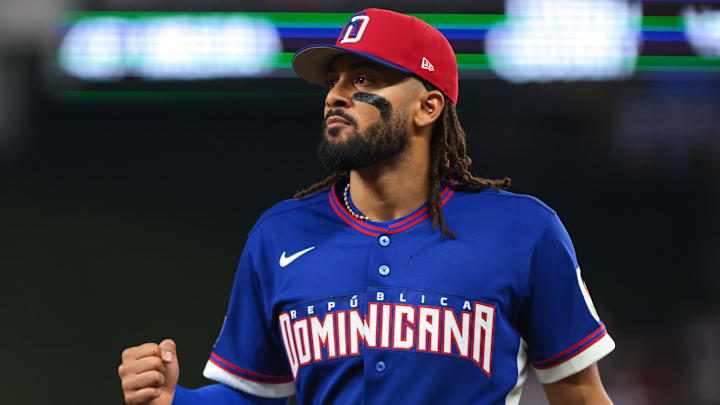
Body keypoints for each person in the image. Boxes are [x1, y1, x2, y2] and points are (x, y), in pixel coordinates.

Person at [118, 8, 615, 405]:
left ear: (428, 106)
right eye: (334, 81)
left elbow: (580, 393)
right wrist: (174, 400)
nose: (335, 95)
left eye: (363, 81)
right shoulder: (279, 236)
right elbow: (253, 397)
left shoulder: (522, 231)